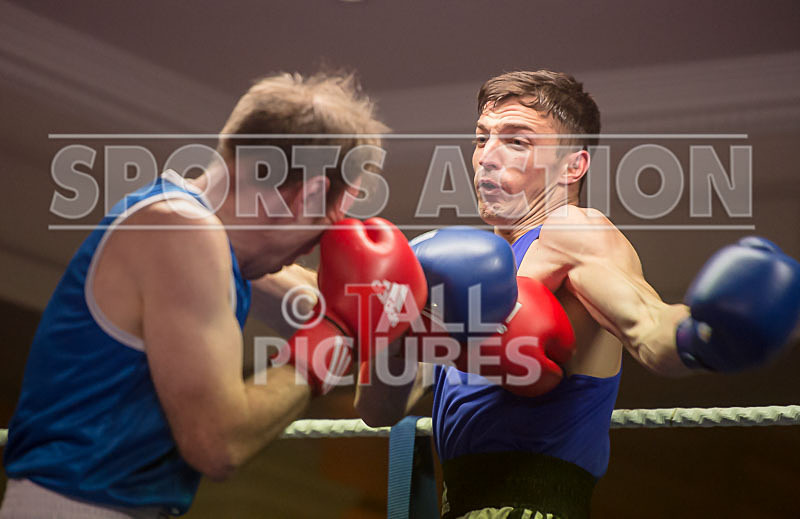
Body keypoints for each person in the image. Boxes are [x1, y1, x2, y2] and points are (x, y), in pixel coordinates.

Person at [355, 70, 800, 519]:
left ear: (573, 165)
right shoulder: (465, 277)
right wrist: (398, 323)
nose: (487, 156)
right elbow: (377, 409)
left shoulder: (572, 231)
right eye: (481, 138)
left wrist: (705, 336)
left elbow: (651, 329)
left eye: (517, 141)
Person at [0, 72, 398, 518]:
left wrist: (391, 303)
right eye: (327, 218)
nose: (320, 243)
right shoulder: (182, 231)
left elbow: (330, 305)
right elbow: (218, 444)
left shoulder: (195, 231)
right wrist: (333, 338)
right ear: (307, 195)